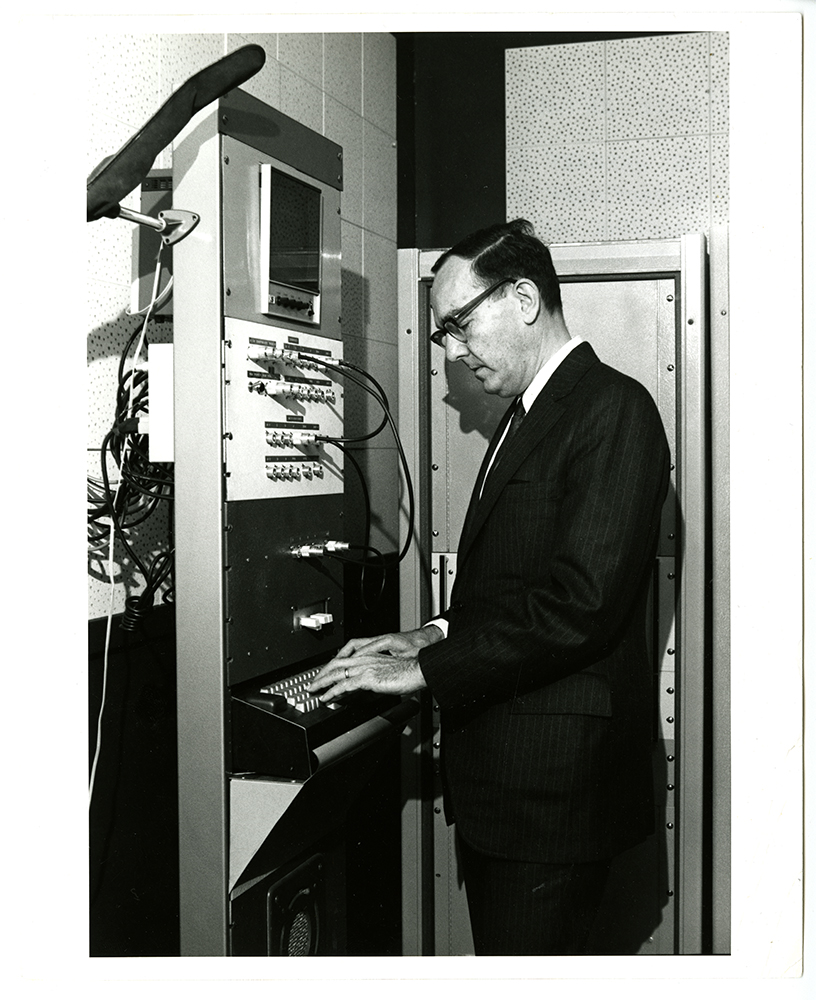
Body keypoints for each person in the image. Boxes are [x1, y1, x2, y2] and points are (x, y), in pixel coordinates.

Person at [308, 219, 670, 955]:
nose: (451, 352)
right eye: (444, 334)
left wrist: (423, 671)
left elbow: (580, 608)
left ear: (525, 298)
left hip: (553, 806)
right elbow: (511, 588)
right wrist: (432, 632)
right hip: (511, 796)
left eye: (458, 326)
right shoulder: (524, 417)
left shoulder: (613, 410)